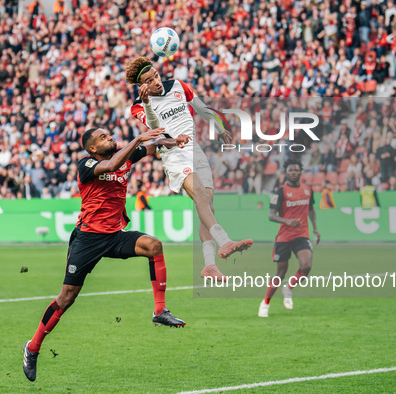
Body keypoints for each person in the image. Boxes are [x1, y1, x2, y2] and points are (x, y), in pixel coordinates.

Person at [22, 127, 190, 382]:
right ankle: (32, 347)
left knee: (154, 246)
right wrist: (137, 140)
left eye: (109, 134)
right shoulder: (86, 164)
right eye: (102, 137)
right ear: (92, 148)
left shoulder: (126, 155)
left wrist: (173, 141)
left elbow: (154, 147)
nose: (109, 137)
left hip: (113, 235)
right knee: (67, 298)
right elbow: (112, 165)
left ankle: (159, 311)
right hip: (88, 239)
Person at [125, 57, 253, 281]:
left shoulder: (177, 85)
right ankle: (225, 241)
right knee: (201, 196)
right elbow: (155, 129)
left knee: (208, 205)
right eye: (149, 80)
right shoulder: (138, 106)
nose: (156, 81)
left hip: (195, 149)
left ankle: (210, 265)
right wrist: (147, 104)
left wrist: (220, 125)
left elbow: (202, 109)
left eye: (155, 75)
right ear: (141, 86)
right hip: (174, 153)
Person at [258, 161, 320, 318]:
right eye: (290, 170)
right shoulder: (280, 192)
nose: (293, 172)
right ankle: (265, 303)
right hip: (284, 236)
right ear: (286, 173)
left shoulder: (307, 190)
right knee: (280, 273)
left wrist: (315, 228)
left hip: (302, 235)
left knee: (306, 266)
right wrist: (287, 221)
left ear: (301, 172)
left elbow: (311, 209)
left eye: (296, 170)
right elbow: (271, 215)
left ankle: (288, 288)